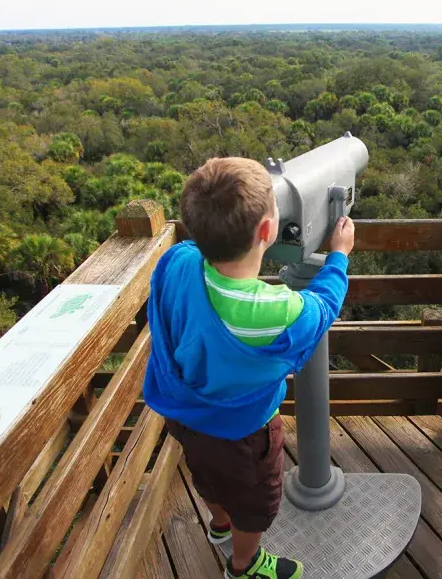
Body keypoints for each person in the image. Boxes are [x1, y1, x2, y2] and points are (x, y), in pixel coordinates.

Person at [143, 156, 354, 579]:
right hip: (242, 432)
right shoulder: (274, 311)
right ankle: (245, 565)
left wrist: (214, 183)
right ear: (266, 231)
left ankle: (220, 526)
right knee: (256, 502)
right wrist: (339, 257)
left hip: (183, 413)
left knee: (207, 477)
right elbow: (322, 307)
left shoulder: (177, 262)